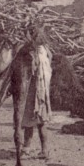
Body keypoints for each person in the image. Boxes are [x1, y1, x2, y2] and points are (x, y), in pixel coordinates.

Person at [22, 30, 53, 159]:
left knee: (29, 120)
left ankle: (26, 149)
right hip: (44, 91)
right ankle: (44, 151)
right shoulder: (47, 51)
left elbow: (31, 70)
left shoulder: (33, 53)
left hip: (33, 91)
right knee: (42, 121)